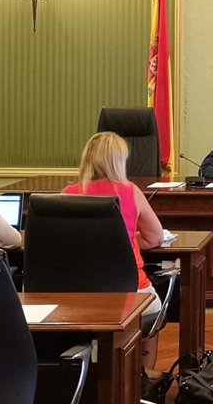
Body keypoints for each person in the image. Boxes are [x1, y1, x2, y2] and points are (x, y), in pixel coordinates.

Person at [63, 132, 165, 375]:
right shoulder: (131, 192)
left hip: (78, 298)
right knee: (154, 306)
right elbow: (155, 238)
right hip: (130, 296)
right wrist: (124, 239)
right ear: (119, 161)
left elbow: (63, 243)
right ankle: (143, 376)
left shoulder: (68, 193)